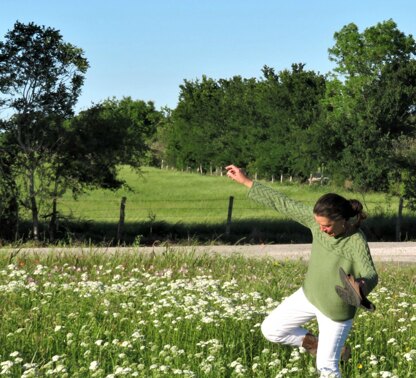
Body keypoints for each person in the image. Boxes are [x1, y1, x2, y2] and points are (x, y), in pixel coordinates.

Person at [225, 164, 378, 378]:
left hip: (335, 311)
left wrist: (363, 286)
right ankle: (317, 344)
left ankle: (329, 351)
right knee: (271, 329)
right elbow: (284, 204)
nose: (322, 230)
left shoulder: (355, 240)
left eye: (327, 226)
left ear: (342, 220)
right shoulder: (317, 224)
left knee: (326, 369)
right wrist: (246, 181)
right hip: (309, 295)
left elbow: (371, 273)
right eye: (319, 225)